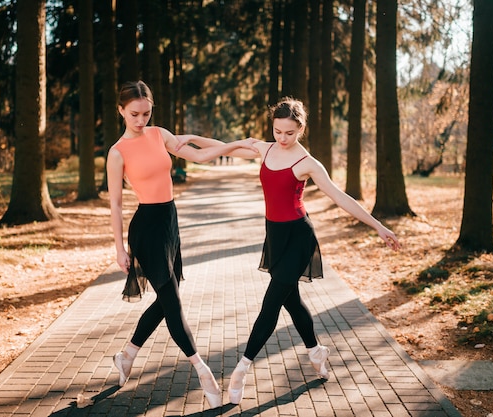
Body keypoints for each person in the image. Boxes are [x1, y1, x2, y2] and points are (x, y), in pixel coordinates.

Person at [177, 97, 401, 404]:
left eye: (289, 133)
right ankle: (316, 351)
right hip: (275, 236)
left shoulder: (308, 163)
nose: (282, 138)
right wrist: (191, 139)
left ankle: (242, 367)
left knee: (271, 303)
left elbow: (340, 196)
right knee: (291, 301)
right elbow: (225, 146)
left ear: (301, 130)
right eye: (277, 131)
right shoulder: (267, 148)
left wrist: (378, 225)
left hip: (298, 238)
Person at [107, 80, 255, 409]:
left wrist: (236, 145)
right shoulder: (117, 153)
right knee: (172, 303)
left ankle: (126, 355)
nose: (141, 120)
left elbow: (200, 155)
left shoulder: (159, 134)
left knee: (166, 299)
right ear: (121, 111)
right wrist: (118, 248)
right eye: (134, 114)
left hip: (170, 222)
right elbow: (116, 204)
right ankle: (203, 372)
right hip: (146, 229)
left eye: (146, 113)